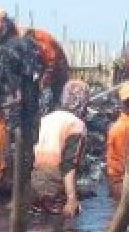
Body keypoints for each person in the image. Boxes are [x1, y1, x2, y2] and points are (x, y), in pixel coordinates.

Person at [0, 7, 70, 109]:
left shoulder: (36, 38)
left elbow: (52, 63)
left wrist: (40, 85)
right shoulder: (5, 43)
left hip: (54, 81)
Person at [32, 79, 89, 217]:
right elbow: (69, 164)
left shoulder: (46, 119)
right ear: (83, 102)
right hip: (55, 184)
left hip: (35, 183)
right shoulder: (77, 125)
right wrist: (71, 199)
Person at [105, 80, 129, 196]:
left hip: (125, 179)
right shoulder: (123, 127)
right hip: (122, 181)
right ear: (124, 102)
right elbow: (124, 160)